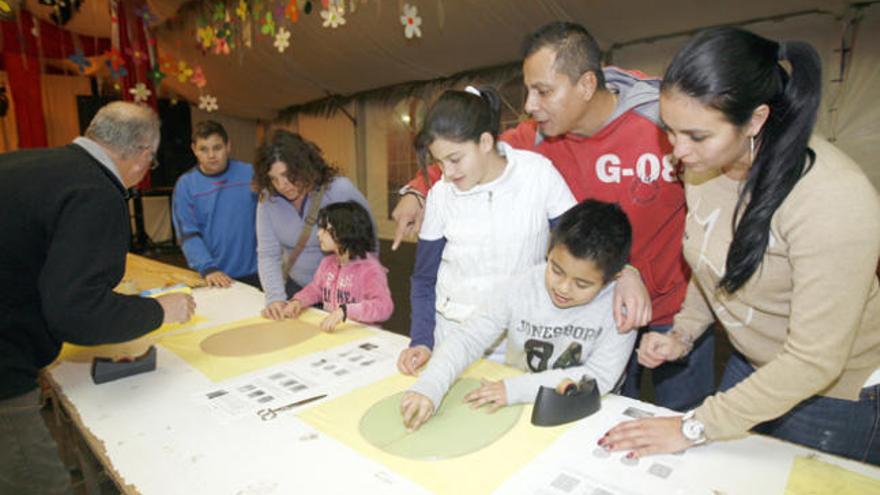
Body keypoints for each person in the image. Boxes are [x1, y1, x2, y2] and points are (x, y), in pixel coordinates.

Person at [391, 22, 712, 412]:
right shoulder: (536, 137)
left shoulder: (662, 124)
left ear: (586, 84)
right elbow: (466, 151)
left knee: (683, 413)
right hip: (596, 305)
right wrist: (415, 190)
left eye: (543, 91)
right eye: (528, 90)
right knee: (608, 406)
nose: (529, 104)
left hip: (673, 309)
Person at [602, 27, 880, 464]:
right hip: (751, 365)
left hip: (835, 395)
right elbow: (710, 261)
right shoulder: (703, 168)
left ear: (755, 120)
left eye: (695, 136)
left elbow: (815, 360)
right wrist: (683, 332)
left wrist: (693, 426)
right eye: (669, 131)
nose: (677, 152)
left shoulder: (832, 198)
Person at [0, 101, 196, 494]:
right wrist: (159, 309)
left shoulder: (21, 164)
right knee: (40, 483)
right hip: (5, 362)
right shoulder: (95, 193)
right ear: (143, 156)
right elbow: (76, 312)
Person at [401, 200, 637, 430]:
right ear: (549, 250)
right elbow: (468, 338)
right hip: (517, 406)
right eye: (556, 269)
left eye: (582, 284)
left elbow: (600, 377)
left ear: (613, 278)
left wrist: (514, 390)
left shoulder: (621, 308)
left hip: (583, 413)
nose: (563, 288)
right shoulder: (521, 286)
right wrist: (430, 385)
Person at [396, 85, 576, 375]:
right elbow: (424, 279)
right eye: (440, 162)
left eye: (455, 159)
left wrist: (623, 272)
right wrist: (422, 340)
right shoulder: (442, 194)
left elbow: (582, 245)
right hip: (454, 339)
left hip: (520, 339)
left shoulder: (537, 175)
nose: (448, 172)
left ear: (485, 141)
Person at [254, 130, 377, 320]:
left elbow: (368, 242)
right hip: (300, 291)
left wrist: (361, 289)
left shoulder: (338, 190)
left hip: (345, 293)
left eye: (288, 175)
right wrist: (275, 298)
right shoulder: (267, 200)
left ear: (303, 166)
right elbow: (268, 254)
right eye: (274, 178)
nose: (282, 185)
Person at [172, 120, 259, 288]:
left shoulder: (251, 174)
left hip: (257, 272)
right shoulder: (186, 185)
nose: (211, 155)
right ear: (194, 150)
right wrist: (208, 268)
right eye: (204, 149)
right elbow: (188, 234)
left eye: (217, 147)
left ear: (228, 146)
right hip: (213, 275)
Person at [283, 201, 393, 332]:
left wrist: (346, 311)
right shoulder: (327, 263)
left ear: (345, 231)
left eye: (325, 229)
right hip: (336, 334)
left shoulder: (370, 269)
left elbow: (384, 306)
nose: (318, 234)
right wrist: (298, 301)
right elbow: (316, 289)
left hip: (362, 335)